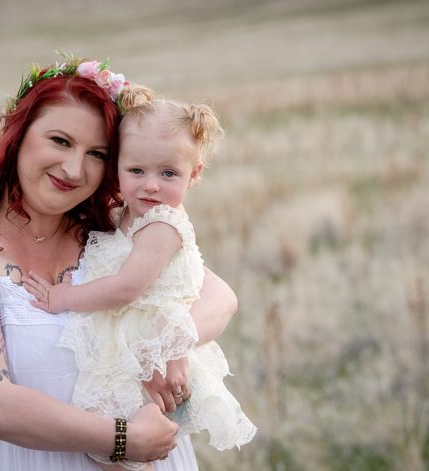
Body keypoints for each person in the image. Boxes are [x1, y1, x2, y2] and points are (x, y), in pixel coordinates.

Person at [0, 54, 239, 470]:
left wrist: (169, 340)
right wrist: (124, 439)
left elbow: (219, 295)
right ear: (17, 135)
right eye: (60, 141)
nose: (73, 169)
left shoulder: (109, 227)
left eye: (98, 153)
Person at [23, 86, 257, 469]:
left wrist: (61, 298)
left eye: (168, 173)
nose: (151, 184)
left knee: (126, 448)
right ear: (116, 169)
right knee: (107, 446)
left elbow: (126, 287)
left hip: (146, 347)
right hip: (128, 343)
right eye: (137, 171)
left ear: (194, 174)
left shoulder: (162, 225)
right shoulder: (126, 214)